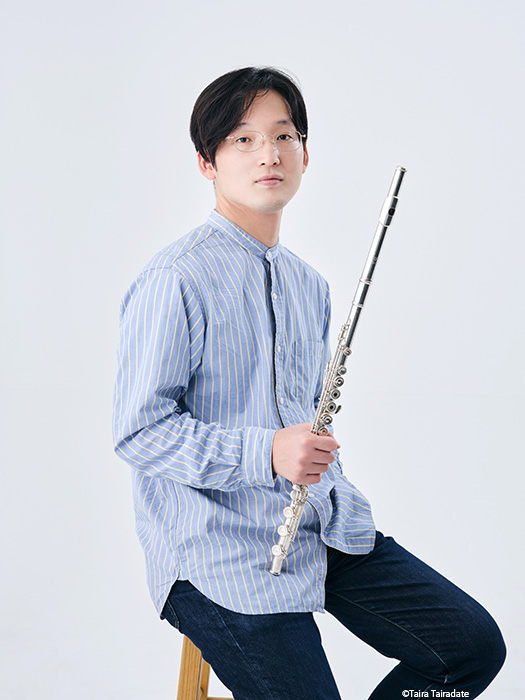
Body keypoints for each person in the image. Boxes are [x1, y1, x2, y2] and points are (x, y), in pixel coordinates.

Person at [112, 67, 505, 699]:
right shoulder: (175, 278)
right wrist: (267, 451)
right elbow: (139, 432)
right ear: (207, 162)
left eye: (284, 136)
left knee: (470, 649)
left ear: (303, 152)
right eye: (243, 139)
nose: (269, 154)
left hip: (318, 526)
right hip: (218, 552)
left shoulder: (308, 285)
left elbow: (302, 414)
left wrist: (314, 464)